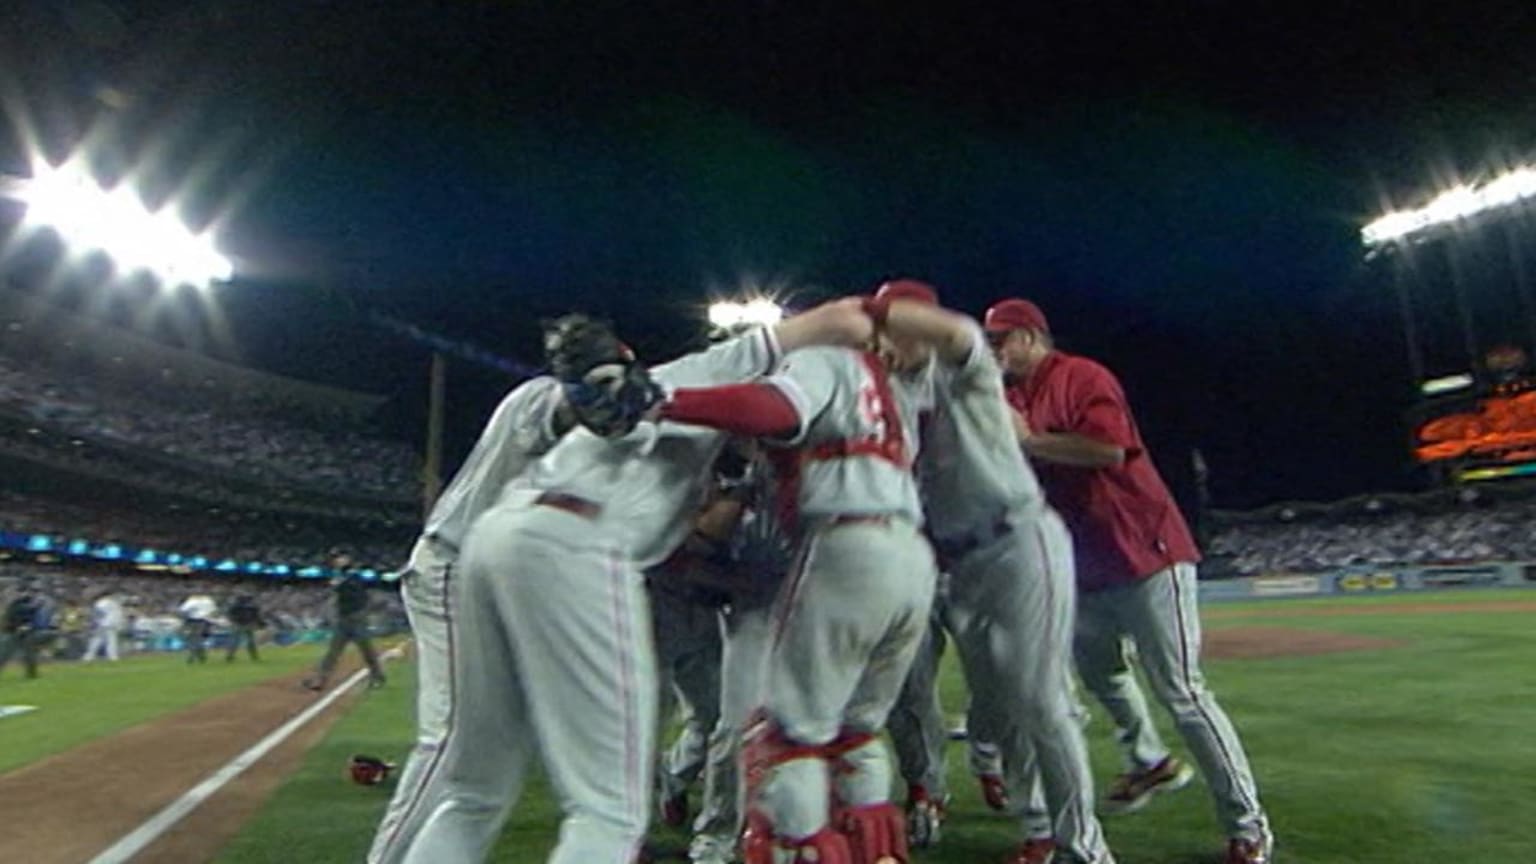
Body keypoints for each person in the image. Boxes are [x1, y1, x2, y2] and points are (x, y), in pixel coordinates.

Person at [388, 301, 870, 864]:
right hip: (576, 544)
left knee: (475, 790)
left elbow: (693, 542)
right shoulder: (708, 371)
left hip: (497, 539)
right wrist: (889, 329)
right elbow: (844, 319)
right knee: (608, 811)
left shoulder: (700, 448)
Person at [987, 298, 1273, 864]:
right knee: (1102, 676)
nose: (993, 352)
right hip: (1084, 567)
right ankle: (1149, 761)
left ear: (1030, 336)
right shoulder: (1008, 396)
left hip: (1148, 553)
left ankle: (1249, 825)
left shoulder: (1081, 375)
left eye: (1000, 340)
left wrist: (1026, 443)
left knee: (1183, 693)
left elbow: (1107, 449)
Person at [659, 303, 938, 864]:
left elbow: (775, 409)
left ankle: (765, 847)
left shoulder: (825, 361)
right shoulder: (896, 396)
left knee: (785, 738)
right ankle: (872, 851)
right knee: (855, 734)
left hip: (837, 555)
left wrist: (664, 399)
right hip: (905, 558)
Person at [875, 282, 1114, 864]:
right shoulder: (890, 393)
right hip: (960, 563)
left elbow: (957, 335)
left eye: (894, 330)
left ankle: (1086, 850)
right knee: (1003, 704)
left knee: (1040, 700)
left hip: (1018, 539)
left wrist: (862, 314)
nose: (883, 344)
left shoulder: (965, 367)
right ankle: (1038, 832)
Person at [367, 375, 571, 864]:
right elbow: (566, 411)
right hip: (454, 566)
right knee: (451, 738)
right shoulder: (544, 395)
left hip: (493, 581)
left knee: (497, 747)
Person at [305, 558, 387, 691]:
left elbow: (348, 589)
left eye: (340, 559)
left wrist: (340, 582)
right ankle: (320, 679)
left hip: (356, 618)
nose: (337, 561)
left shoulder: (353, 576)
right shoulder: (342, 576)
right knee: (333, 651)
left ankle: (377, 677)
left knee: (366, 650)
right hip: (343, 619)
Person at [0, 584, 46, 679]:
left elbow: (30, 612)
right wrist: (39, 603)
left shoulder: (24, 602)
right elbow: (29, 609)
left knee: (29, 654)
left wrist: (27, 625)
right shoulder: (16, 604)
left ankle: (32, 674)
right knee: (4, 654)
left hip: (23, 632)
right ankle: (32, 674)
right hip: (12, 632)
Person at [83, 590, 126, 663]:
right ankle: (112, 656)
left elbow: (97, 614)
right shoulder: (109, 603)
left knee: (97, 640)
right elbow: (98, 613)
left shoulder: (104, 603)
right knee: (111, 641)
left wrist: (95, 623)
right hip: (108, 624)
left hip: (105, 624)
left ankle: (88, 656)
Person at [178, 591, 218, 664]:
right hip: (205, 621)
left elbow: (182, 610)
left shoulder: (192, 600)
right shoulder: (208, 600)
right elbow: (214, 611)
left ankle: (193, 656)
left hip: (193, 621)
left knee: (194, 639)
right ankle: (200, 655)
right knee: (198, 639)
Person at [225, 592, 262, 662]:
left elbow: (229, 614)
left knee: (237, 641)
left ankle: (230, 656)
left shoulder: (236, 605)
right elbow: (256, 616)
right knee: (248, 641)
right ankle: (254, 656)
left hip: (240, 623)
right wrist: (258, 623)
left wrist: (233, 620)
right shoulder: (251, 606)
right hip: (244, 623)